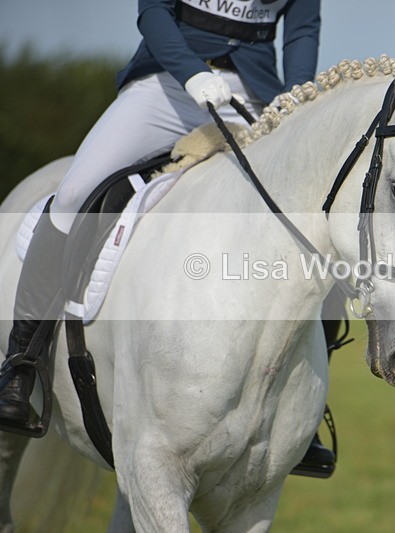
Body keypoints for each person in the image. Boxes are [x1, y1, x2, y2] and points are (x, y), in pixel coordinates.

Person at [0, 0, 334, 475]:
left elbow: (302, 31)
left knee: (308, 220)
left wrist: (295, 97)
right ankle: (21, 364)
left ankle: (305, 409)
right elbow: (153, 11)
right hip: (167, 84)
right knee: (73, 193)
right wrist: (191, 71)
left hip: (255, 94)